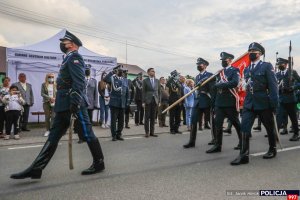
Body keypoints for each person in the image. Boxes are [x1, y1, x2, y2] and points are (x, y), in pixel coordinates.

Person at [10, 30, 105, 179]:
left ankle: (99, 162)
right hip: (63, 104)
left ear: (72, 44)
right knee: (53, 136)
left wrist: (74, 103)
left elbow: (79, 82)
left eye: (64, 42)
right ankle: (37, 168)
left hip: (73, 104)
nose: (62, 44)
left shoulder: (75, 57)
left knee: (87, 133)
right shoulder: (67, 59)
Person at [231, 42, 278, 165]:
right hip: (249, 102)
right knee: (244, 127)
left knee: (269, 127)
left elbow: (273, 86)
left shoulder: (266, 66)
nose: (251, 53)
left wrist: (274, 104)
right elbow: (245, 84)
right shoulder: (246, 69)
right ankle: (244, 155)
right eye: (249, 51)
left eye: (253, 51)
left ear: (260, 53)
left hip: (263, 101)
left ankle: (272, 148)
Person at [206, 52, 241, 153]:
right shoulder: (219, 72)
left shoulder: (234, 70)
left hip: (229, 102)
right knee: (218, 124)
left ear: (229, 60)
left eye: (224, 60)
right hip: (219, 102)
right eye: (222, 60)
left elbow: (235, 82)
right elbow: (212, 82)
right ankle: (218, 145)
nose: (222, 62)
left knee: (236, 123)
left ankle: (242, 142)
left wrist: (220, 85)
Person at [183, 58, 213, 148]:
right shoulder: (197, 77)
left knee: (212, 121)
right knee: (193, 120)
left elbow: (212, 88)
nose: (198, 65)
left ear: (205, 65)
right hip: (198, 101)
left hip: (207, 100)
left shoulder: (210, 75)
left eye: (200, 64)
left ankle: (215, 139)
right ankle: (192, 141)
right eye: (198, 64)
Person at [276, 57, 300, 141]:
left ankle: (296, 133)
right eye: (278, 64)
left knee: (293, 117)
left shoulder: (292, 72)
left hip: (290, 99)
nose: (279, 65)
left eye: (281, 64)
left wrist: (293, 87)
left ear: (286, 64)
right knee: (278, 117)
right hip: (281, 99)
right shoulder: (277, 74)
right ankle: (275, 135)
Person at [104, 65, 129, 141]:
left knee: (121, 120)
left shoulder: (125, 80)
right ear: (117, 71)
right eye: (119, 70)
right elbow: (105, 79)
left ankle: (119, 134)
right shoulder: (112, 78)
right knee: (114, 120)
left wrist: (127, 102)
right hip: (114, 102)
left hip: (122, 103)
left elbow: (127, 92)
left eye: (122, 71)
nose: (121, 72)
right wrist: (112, 72)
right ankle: (114, 135)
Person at [142, 68, 160, 137]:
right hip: (148, 100)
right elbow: (143, 92)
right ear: (148, 72)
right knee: (147, 117)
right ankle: (147, 132)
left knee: (153, 117)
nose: (154, 72)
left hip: (155, 100)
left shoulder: (157, 81)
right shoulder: (145, 81)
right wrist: (143, 101)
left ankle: (152, 132)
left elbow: (159, 92)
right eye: (152, 71)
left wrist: (159, 101)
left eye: (154, 71)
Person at [167, 70, 182, 134]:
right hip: (172, 101)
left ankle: (176, 129)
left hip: (179, 101)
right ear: (174, 75)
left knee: (178, 116)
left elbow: (180, 91)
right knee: (172, 116)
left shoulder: (178, 82)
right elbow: (168, 91)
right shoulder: (170, 81)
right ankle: (172, 129)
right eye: (178, 75)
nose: (179, 76)